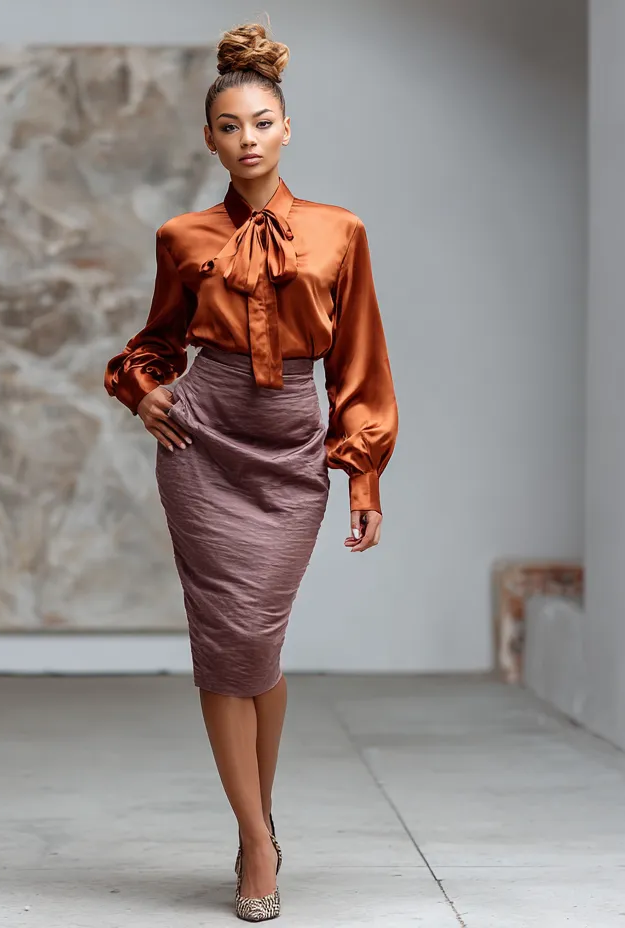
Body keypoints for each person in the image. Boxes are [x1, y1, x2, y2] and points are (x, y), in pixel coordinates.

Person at [103, 21, 398, 922]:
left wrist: (362, 470)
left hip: (289, 448)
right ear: (210, 139)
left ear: (286, 127)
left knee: (256, 643)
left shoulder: (339, 232)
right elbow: (151, 344)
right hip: (202, 445)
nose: (247, 140)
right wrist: (143, 392)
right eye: (229, 127)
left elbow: (359, 361)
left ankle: (252, 822)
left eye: (261, 123)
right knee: (224, 644)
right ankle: (258, 840)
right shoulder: (181, 235)